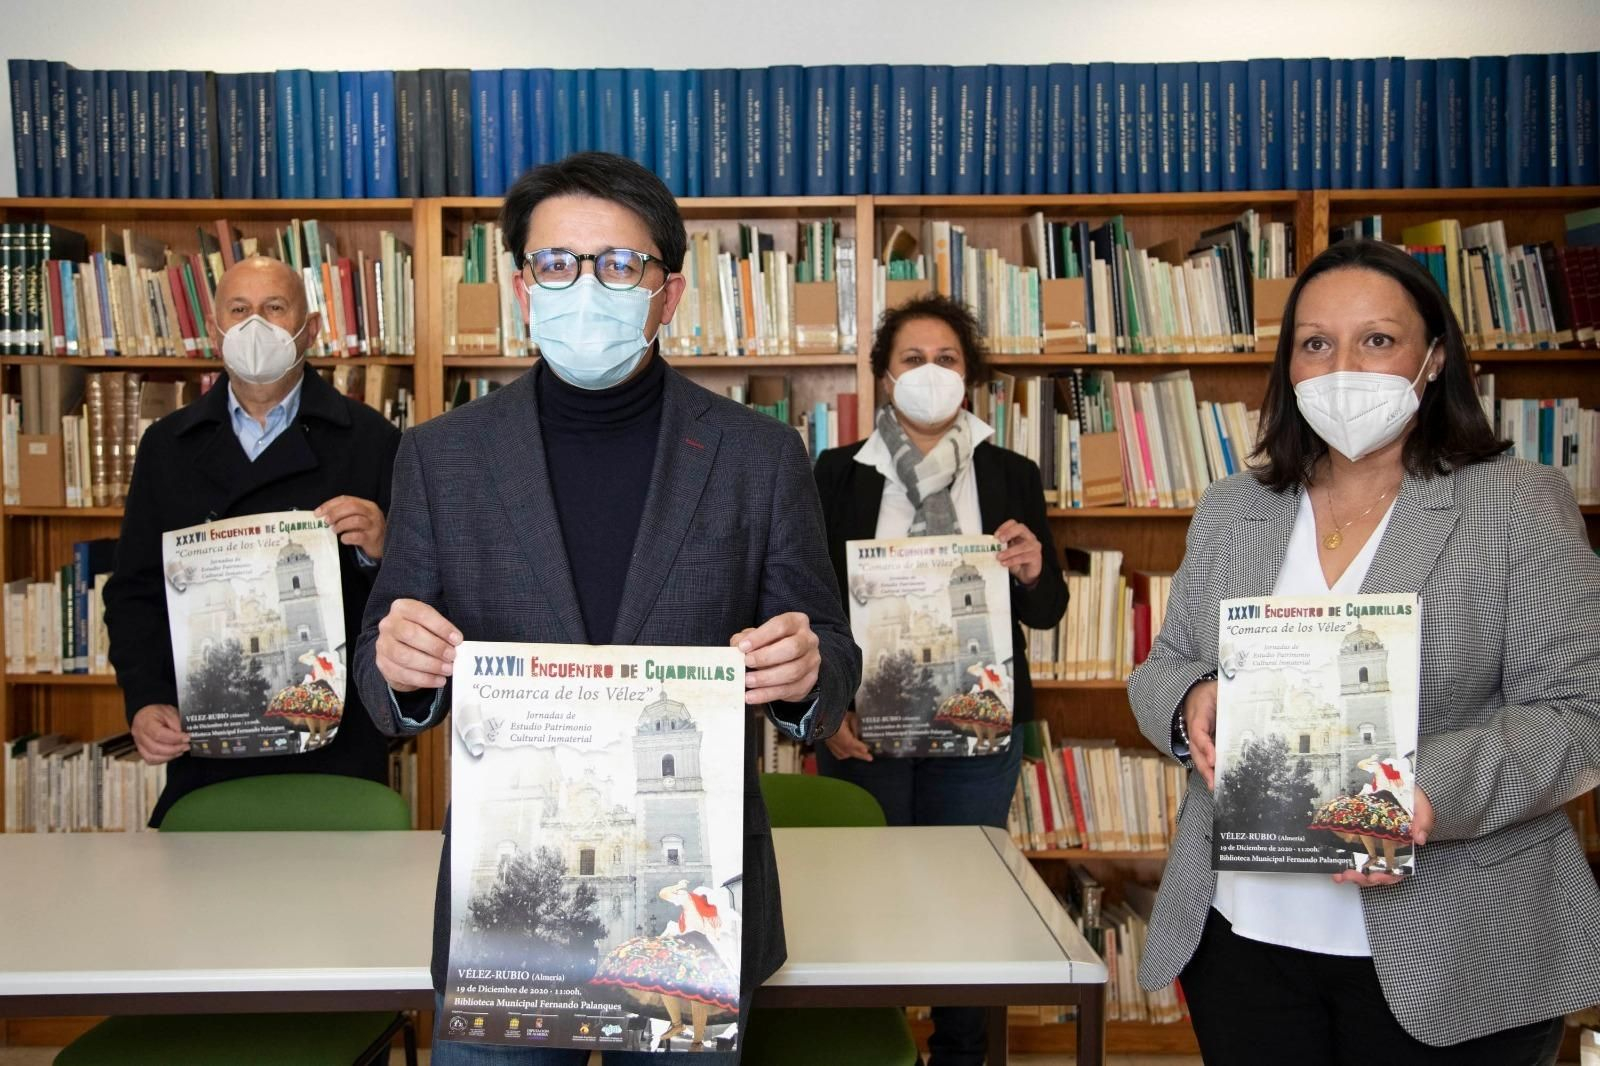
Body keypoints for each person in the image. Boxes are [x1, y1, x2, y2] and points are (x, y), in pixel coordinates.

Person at [353, 151, 860, 1064]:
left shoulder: (757, 455)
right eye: (557, 263)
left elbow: (828, 646)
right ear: (522, 288)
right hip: (506, 924)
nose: (585, 287)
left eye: (620, 265)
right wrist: (402, 668)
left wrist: (807, 669)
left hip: (691, 928)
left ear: (668, 295)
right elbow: (380, 671)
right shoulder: (441, 456)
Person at [1128, 238, 1600, 1066]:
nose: (1342, 367)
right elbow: (1163, 663)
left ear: (1435, 357)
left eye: (1377, 340)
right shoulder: (1234, 508)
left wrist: (1428, 791)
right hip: (1242, 937)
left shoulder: (1518, 505)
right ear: (1288, 365)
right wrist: (1192, 697)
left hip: (1453, 944)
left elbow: (1579, 713)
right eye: (1316, 343)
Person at [810, 294, 1067, 1066]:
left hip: (978, 728)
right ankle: (880, 1047)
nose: (931, 372)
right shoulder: (836, 474)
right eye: (913, 359)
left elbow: (1047, 608)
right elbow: (809, 601)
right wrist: (826, 709)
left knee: (970, 899)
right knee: (868, 900)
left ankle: (961, 1054)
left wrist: (1032, 570)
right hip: (865, 729)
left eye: (947, 359)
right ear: (885, 376)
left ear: (970, 375)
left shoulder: (1011, 473)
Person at [103, 255, 401, 826]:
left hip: (336, 741)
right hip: (209, 737)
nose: (255, 325)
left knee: (339, 882)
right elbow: (134, 592)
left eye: (274, 307)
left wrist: (381, 546)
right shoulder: (168, 445)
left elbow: (418, 590)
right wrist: (144, 699)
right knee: (204, 878)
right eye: (239, 310)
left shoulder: (371, 439)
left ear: (309, 329)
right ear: (215, 331)